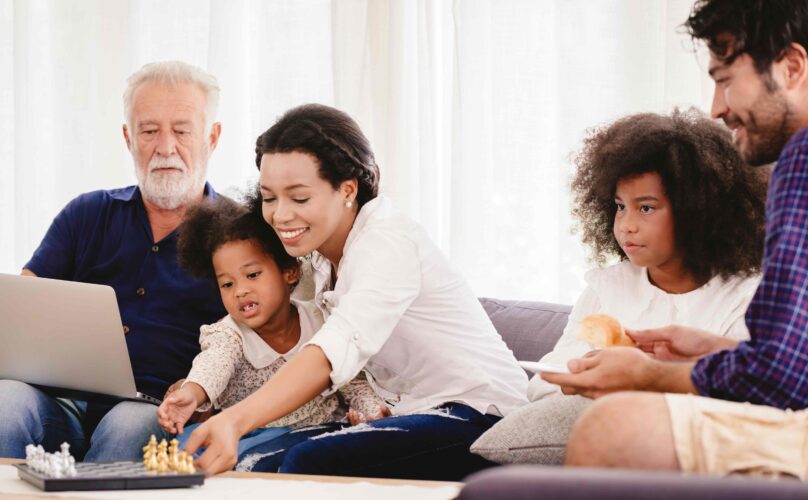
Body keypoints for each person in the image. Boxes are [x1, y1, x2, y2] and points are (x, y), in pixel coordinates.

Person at [181, 103, 530, 480]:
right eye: (269, 198)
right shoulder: (318, 254)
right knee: (257, 465)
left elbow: (331, 350)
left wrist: (234, 421)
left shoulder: (387, 243)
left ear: (347, 189)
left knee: (308, 463)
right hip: (409, 412)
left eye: (299, 198)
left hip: (480, 415)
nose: (280, 215)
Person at [543, 0, 808, 479]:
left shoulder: (800, 161)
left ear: (792, 67)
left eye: (726, 80)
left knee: (612, 430)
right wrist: (716, 351)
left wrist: (650, 375)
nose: (717, 108)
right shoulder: (609, 284)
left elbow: (780, 379)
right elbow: (789, 364)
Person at [0, 61, 228, 461]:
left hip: (154, 411)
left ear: (211, 138)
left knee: (129, 426)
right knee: (0, 401)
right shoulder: (87, 214)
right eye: (149, 131)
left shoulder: (236, 235)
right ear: (128, 137)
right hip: (59, 402)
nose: (165, 147)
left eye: (182, 131)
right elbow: (15, 325)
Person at [528, 108, 764, 403]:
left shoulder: (745, 299)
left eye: (646, 208)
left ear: (698, 212)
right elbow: (539, 384)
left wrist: (645, 378)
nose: (627, 225)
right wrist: (576, 377)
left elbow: (748, 401)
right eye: (620, 207)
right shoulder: (608, 287)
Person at [157, 197, 386, 460]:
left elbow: (353, 384)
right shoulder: (228, 334)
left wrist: (372, 413)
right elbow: (212, 365)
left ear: (289, 272)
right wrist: (191, 393)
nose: (240, 291)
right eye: (227, 284)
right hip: (251, 436)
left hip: (318, 432)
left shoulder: (321, 321)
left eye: (252, 275)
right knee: (190, 450)